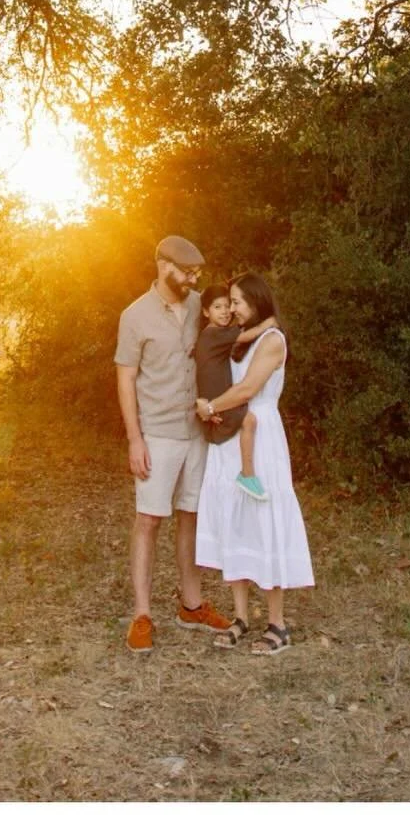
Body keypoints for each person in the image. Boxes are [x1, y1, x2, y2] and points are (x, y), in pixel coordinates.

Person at [114, 236, 233, 653]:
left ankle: (191, 604)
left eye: (197, 272)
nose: (193, 278)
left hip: (197, 432)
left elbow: (237, 331)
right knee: (149, 520)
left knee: (191, 516)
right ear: (163, 265)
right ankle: (142, 615)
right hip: (158, 433)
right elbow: (126, 379)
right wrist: (134, 439)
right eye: (186, 271)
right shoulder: (134, 316)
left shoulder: (202, 307)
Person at [193, 272, 314, 655]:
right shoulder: (238, 341)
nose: (231, 308)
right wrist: (213, 409)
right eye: (228, 301)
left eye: (238, 301)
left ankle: (277, 624)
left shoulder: (272, 341)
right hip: (230, 433)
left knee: (264, 521)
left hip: (260, 436)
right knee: (234, 522)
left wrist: (211, 406)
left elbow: (247, 390)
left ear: (257, 301)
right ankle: (241, 617)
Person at [192, 284, 269, 499]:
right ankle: (247, 474)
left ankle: (244, 476)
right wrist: (269, 323)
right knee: (249, 421)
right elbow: (246, 335)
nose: (226, 311)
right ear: (206, 312)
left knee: (245, 424)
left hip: (213, 394)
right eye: (218, 307)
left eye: (228, 306)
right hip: (216, 396)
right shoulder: (215, 334)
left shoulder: (211, 334)